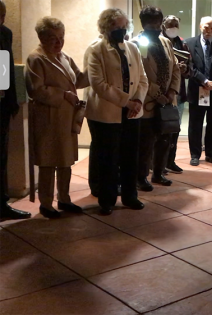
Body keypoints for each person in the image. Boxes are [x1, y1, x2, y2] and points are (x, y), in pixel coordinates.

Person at [85, 8, 148, 215]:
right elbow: (99, 84)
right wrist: (127, 102)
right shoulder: (96, 50)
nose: (120, 30)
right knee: (108, 159)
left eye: (123, 27)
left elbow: (142, 78)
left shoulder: (132, 48)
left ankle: (130, 196)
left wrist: (138, 100)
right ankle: (107, 199)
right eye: (115, 27)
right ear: (105, 27)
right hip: (106, 114)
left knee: (131, 156)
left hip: (132, 112)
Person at [25, 17, 89, 218]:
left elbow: (78, 79)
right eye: (53, 38)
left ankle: (64, 199)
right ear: (41, 37)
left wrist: (95, 69)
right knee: (48, 161)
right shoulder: (36, 58)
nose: (58, 42)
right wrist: (63, 94)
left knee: (66, 160)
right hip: (48, 117)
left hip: (67, 117)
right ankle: (46, 204)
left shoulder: (65, 57)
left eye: (61, 37)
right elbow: (36, 90)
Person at [132, 6, 181, 191]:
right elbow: (139, 73)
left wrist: (172, 92)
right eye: (151, 23)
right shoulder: (137, 43)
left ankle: (159, 173)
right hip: (148, 101)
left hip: (168, 102)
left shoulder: (166, 42)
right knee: (146, 142)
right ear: (143, 24)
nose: (155, 27)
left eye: (157, 22)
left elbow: (175, 68)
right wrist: (157, 94)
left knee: (165, 139)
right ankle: (141, 176)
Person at [0, 1, 31, 220]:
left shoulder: (5, 34)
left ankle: (1, 204)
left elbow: (5, 69)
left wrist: (10, 102)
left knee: (1, 157)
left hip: (1, 106)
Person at [184, 17, 212, 166]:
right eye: (206, 27)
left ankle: (211, 153)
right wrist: (204, 81)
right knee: (195, 124)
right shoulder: (189, 44)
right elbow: (190, 67)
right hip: (197, 90)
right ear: (200, 26)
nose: (209, 31)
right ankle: (195, 154)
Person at [162, 15, 191, 174]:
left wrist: (184, 68)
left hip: (178, 93)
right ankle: (157, 163)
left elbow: (190, 68)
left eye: (175, 25)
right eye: (170, 25)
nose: (172, 28)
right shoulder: (157, 42)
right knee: (161, 130)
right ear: (163, 26)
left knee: (175, 129)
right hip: (162, 93)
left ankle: (170, 161)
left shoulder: (181, 43)